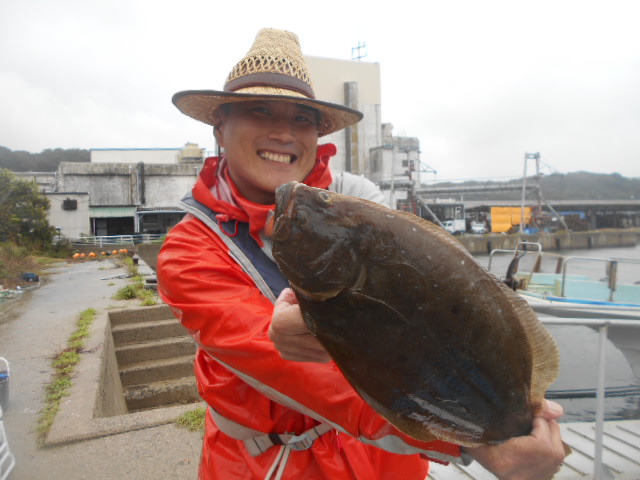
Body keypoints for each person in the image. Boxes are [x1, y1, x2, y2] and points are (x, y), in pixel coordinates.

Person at [157, 28, 567, 480]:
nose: (283, 132)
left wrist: (512, 418)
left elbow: (431, 309)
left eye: (303, 118)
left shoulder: (356, 200)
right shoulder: (189, 251)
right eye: (259, 110)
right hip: (271, 465)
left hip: (389, 466)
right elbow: (283, 364)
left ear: (317, 132)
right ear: (219, 126)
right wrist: (473, 439)